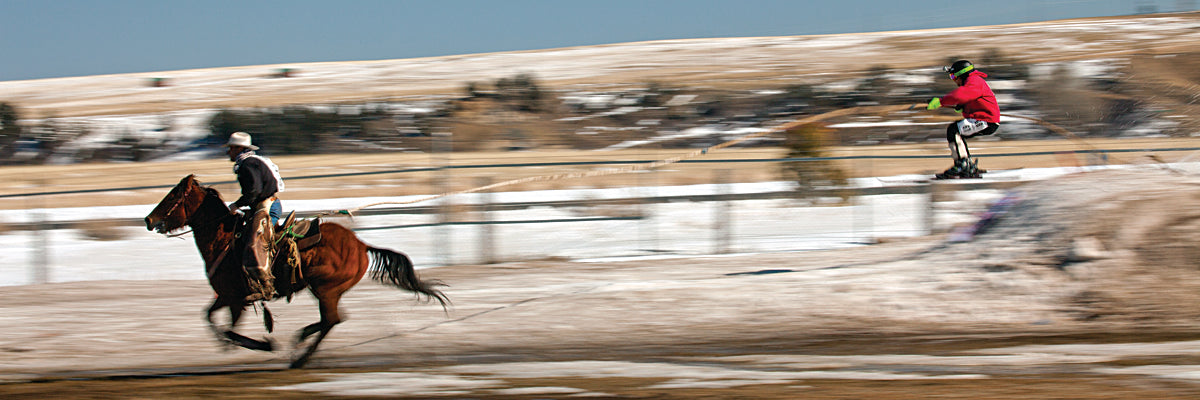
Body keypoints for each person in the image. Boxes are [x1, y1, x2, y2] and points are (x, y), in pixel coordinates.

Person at [225, 132, 285, 302]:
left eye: (230, 148)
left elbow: (254, 191)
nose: (228, 152)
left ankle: (266, 286)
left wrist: (236, 205)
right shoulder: (251, 162)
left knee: (255, 241)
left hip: (267, 206)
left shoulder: (248, 164)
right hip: (262, 206)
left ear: (239, 149)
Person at [926, 59, 1000, 179]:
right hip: (984, 120)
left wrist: (941, 101)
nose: (954, 80)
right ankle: (967, 165)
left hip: (986, 121)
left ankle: (962, 165)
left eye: (954, 76)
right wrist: (964, 107)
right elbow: (971, 98)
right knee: (957, 133)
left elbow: (961, 94)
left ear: (962, 74)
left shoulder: (974, 81)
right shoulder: (973, 82)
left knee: (954, 130)